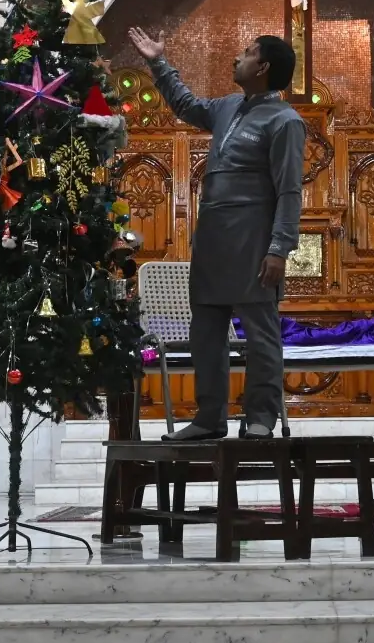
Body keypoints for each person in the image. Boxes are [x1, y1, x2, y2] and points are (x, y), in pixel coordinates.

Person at [127, 26, 306, 441]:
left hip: (253, 245)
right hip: (211, 241)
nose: (236, 59)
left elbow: (289, 191)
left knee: (261, 335)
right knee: (205, 334)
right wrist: (158, 61)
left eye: (245, 53)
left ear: (262, 67)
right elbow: (187, 106)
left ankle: (260, 417)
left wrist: (279, 248)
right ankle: (210, 418)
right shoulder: (228, 106)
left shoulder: (285, 120)